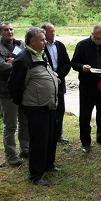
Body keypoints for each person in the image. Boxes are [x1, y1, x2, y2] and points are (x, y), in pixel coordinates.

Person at [8, 27, 59, 186]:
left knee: (51, 137)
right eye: (42, 40)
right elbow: (14, 85)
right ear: (32, 41)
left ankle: (48, 165)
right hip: (36, 107)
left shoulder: (41, 53)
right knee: (38, 142)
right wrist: (24, 103)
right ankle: (36, 175)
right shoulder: (23, 58)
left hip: (49, 105)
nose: (45, 42)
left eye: (45, 39)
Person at [0, 22, 30, 166]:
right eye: (6, 30)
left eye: (11, 29)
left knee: (25, 122)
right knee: (10, 125)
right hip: (6, 92)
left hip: (23, 90)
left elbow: (29, 61)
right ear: (0, 33)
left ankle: (26, 149)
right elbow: (1, 67)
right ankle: (11, 155)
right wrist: (19, 63)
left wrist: (15, 62)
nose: (9, 32)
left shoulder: (21, 44)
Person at [71, 25, 101, 153]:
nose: (99, 41)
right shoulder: (82, 45)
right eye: (97, 38)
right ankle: (85, 142)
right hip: (87, 86)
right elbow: (74, 63)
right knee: (85, 115)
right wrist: (82, 67)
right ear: (91, 35)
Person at [42, 23, 71, 144]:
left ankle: (58, 135)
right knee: (47, 111)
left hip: (59, 83)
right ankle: (48, 135)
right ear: (44, 33)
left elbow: (67, 63)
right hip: (45, 84)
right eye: (50, 31)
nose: (53, 33)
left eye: (54, 31)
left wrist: (58, 74)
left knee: (60, 109)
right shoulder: (41, 46)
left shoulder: (60, 45)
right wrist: (50, 75)